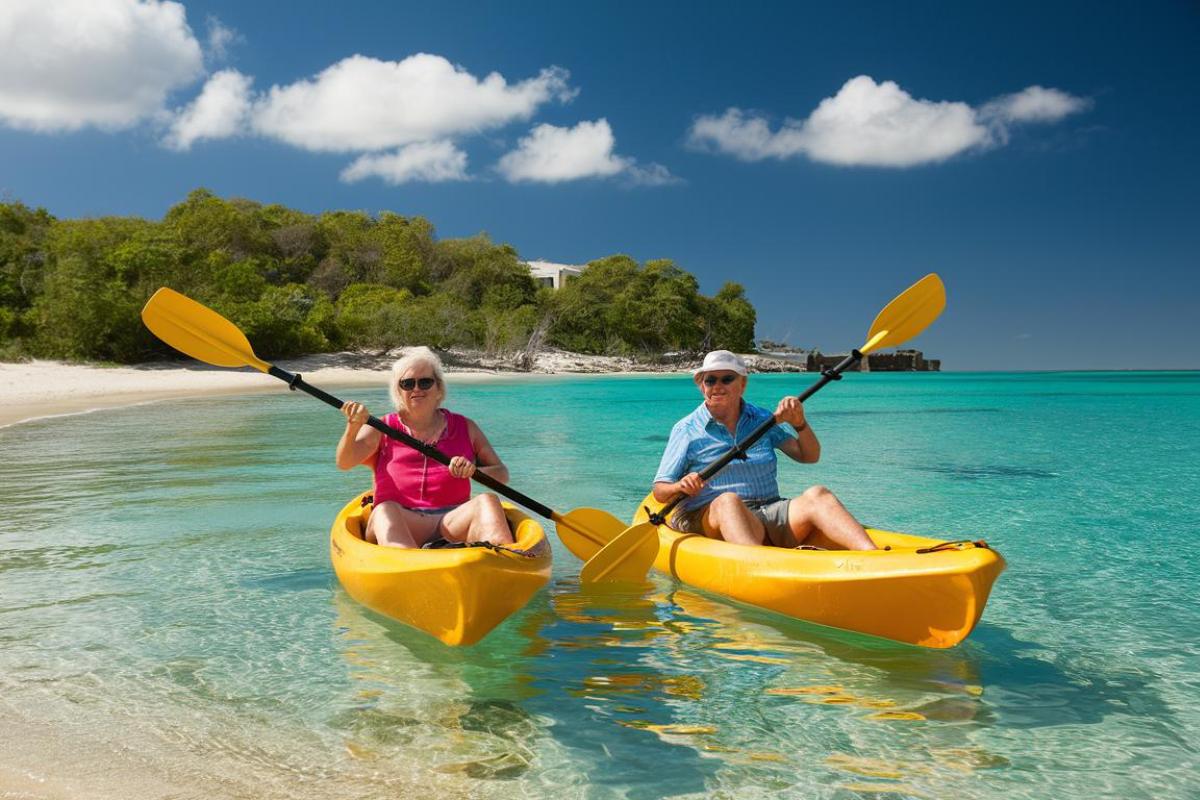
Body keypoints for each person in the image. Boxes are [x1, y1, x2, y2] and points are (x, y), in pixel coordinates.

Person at [652, 350, 876, 550]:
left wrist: (800, 424)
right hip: (710, 517)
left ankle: (872, 557)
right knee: (728, 501)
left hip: (769, 511)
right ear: (702, 386)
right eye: (710, 380)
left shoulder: (762, 419)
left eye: (727, 379)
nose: (717, 386)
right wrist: (681, 485)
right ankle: (758, 565)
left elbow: (809, 456)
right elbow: (660, 491)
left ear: (743, 384)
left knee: (819, 494)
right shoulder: (687, 429)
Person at [336, 346, 513, 549]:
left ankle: (503, 561)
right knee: (385, 510)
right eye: (407, 384)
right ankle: (408, 564)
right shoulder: (382, 428)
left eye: (425, 382)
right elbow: (344, 462)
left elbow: (502, 474)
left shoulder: (466, 427)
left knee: (487, 500)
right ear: (398, 392)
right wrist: (353, 426)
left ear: (439, 389)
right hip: (402, 520)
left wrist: (474, 471)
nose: (416, 389)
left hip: (453, 520)